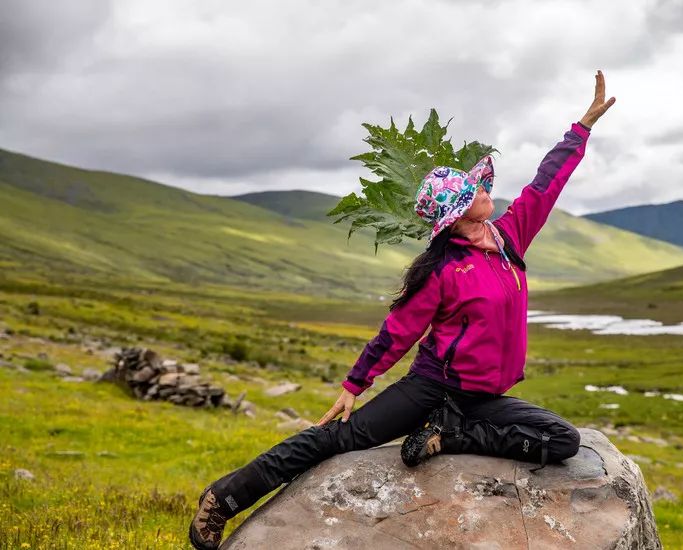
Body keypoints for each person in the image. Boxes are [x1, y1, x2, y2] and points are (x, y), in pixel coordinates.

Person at [189, 70, 615, 550]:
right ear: (458, 213)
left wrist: (581, 129)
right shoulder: (442, 270)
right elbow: (397, 333)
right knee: (337, 438)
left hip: (479, 401)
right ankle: (222, 500)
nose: (484, 190)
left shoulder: (510, 236)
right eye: (473, 190)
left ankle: (447, 437)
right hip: (434, 388)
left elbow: (545, 186)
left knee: (564, 441)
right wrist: (355, 384)